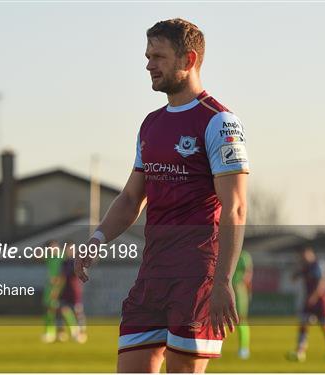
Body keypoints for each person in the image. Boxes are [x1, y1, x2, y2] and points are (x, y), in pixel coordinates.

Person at [75, 18, 250, 373]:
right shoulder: (151, 124)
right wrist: (96, 239)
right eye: (147, 55)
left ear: (188, 60)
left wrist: (223, 282)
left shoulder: (219, 121)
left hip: (196, 276)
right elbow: (130, 198)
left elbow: (235, 207)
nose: (148, 64)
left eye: (159, 56)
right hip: (152, 274)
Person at [287, 246, 325, 364]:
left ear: (311, 253)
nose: (303, 257)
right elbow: (293, 278)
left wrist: (314, 296)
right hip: (309, 301)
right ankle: (300, 352)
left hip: (321, 301)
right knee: (303, 325)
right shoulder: (305, 267)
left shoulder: (319, 264)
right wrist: (298, 269)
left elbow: (323, 281)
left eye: (305, 254)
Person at [57, 242, 87, 343]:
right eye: (68, 249)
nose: (70, 251)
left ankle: (81, 333)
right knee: (63, 311)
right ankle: (63, 332)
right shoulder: (64, 262)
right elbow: (61, 277)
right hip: (65, 290)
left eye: (72, 249)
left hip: (74, 291)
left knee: (77, 312)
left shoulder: (77, 262)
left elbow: (82, 274)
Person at [42, 239, 65, 343]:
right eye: (50, 247)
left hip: (60, 287)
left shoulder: (62, 257)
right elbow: (37, 257)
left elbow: (65, 272)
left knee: (65, 309)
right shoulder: (49, 257)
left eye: (53, 246)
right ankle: (50, 332)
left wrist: (58, 281)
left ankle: (73, 331)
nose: (52, 249)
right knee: (49, 309)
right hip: (50, 287)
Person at [232, 250, 253, 359]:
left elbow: (248, 273)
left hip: (239, 290)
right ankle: (216, 346)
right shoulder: (226, 253)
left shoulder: (244, 256)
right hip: (225, 289)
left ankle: (244, 348)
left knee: (241, 320)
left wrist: (242, 286)